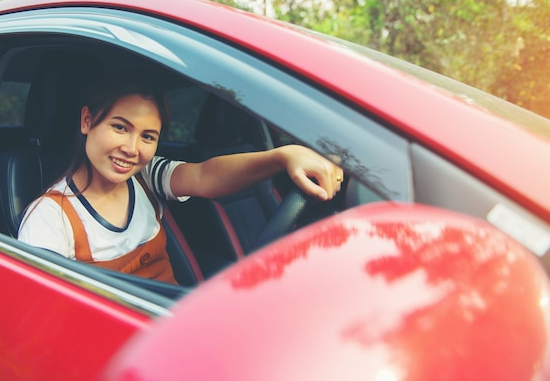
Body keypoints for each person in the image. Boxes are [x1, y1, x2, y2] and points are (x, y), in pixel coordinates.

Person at [18, 73, 344, 284]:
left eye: (148, 136)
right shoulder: (49, 219)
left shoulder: (145, 177)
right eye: (120, 127)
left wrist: (283, 156)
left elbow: (204, 175)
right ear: (87, 121)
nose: (132, 149)